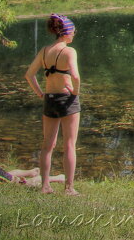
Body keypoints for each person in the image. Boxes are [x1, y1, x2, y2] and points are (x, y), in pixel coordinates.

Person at [24, 13, 81, 195]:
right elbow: (75, 76)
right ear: (65, 33)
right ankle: (69, 188)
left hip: (49, 99)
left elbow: (29, 74)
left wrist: (40, 93)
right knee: (70, 145)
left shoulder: (44, 51)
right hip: (67, 100)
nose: (74, 35)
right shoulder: (69, 51)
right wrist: (75, 91)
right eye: (72, 32)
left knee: (48, 145)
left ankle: (45, 186)